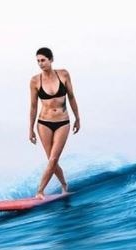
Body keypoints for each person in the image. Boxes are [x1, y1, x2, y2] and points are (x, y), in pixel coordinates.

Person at [28, 47, 80, 200]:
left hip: (63, 122)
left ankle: (40, 191)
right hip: (43, 123)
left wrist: (78, 118)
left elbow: (71, 97)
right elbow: (33, 106)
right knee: (52, 160)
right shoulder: (35, 81)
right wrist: (30, 129)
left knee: (53, 159)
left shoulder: (63, 74)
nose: (40, 63)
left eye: (43, 60)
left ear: (51, 60)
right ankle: (64, 186)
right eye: (38, 61)